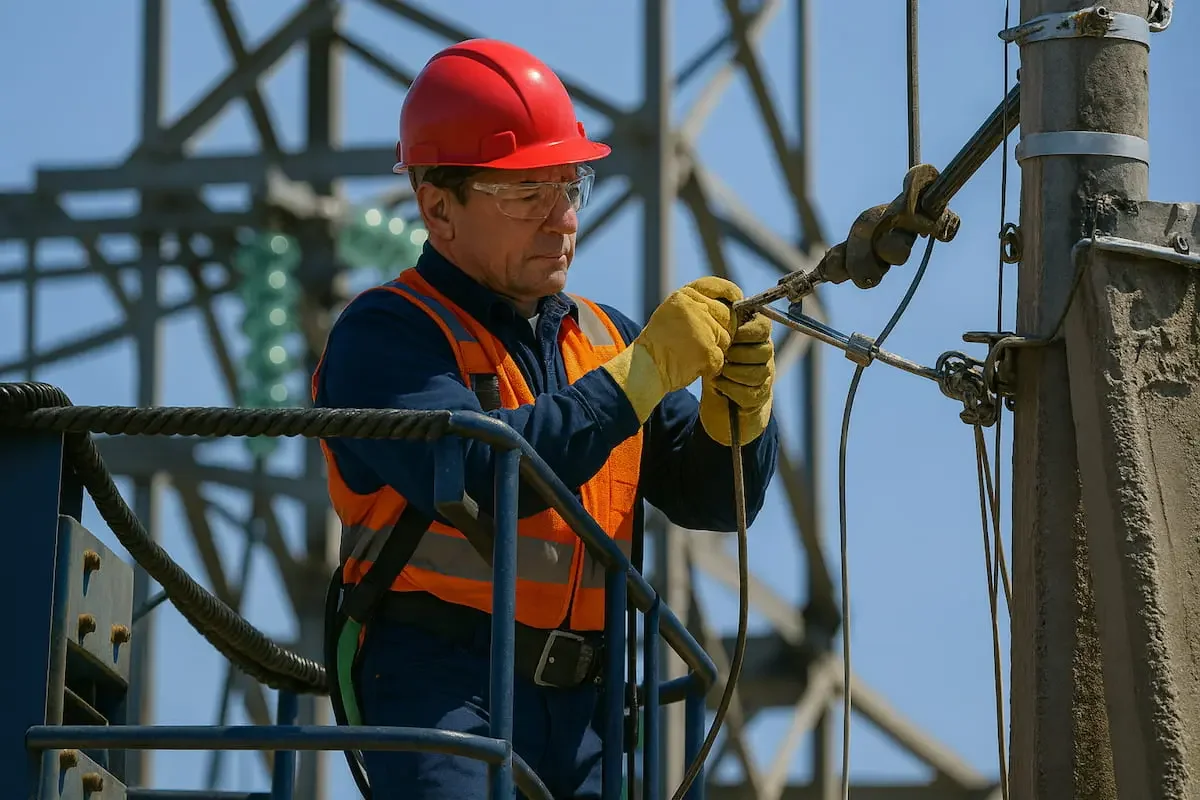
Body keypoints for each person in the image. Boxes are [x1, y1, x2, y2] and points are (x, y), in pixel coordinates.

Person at [312, 38, 779, 799]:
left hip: (594, 713)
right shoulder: (386, 337)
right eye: (528, 193)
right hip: (444, 691)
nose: (562, 219)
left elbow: (715, 501)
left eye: (571, 185)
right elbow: (482, 476)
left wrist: (740, 415)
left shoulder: (608, 339)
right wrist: (644, 376)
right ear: (438, 207)